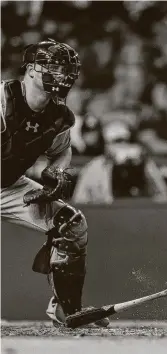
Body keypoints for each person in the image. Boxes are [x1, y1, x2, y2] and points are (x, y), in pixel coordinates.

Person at [1, 39, 109, 328]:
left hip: (7, 186)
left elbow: (62, 150)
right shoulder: (2, 99)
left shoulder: (58, 116)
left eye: (66, 69)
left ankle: (68, 310)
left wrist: (58, 172)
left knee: (72, 223)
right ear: (32, 69)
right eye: (54, 66)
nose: (62, 74)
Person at [72, 119, 167, 204]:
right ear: (106, 144)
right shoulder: (94, 167)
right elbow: (80, 201)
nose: (120, 145)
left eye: (123, 140)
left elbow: (163, 196)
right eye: (115, 141)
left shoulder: (145, 163)